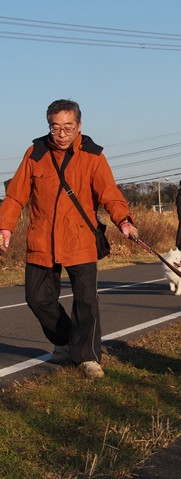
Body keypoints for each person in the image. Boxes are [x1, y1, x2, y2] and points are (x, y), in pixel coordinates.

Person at [0, 99, 138, 379]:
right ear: (49, 126)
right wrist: (5, 226)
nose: (62, 134)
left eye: (68, 127)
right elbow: (16, 195)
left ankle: (87, 357)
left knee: (86, 301)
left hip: (80, 239)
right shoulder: (35, 153)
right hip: (42, 240)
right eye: (55, 128)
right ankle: (65, 341)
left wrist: (123, 220)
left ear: (79, 125)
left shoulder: (93, 155)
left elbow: (109, 192)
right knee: (36, 298)